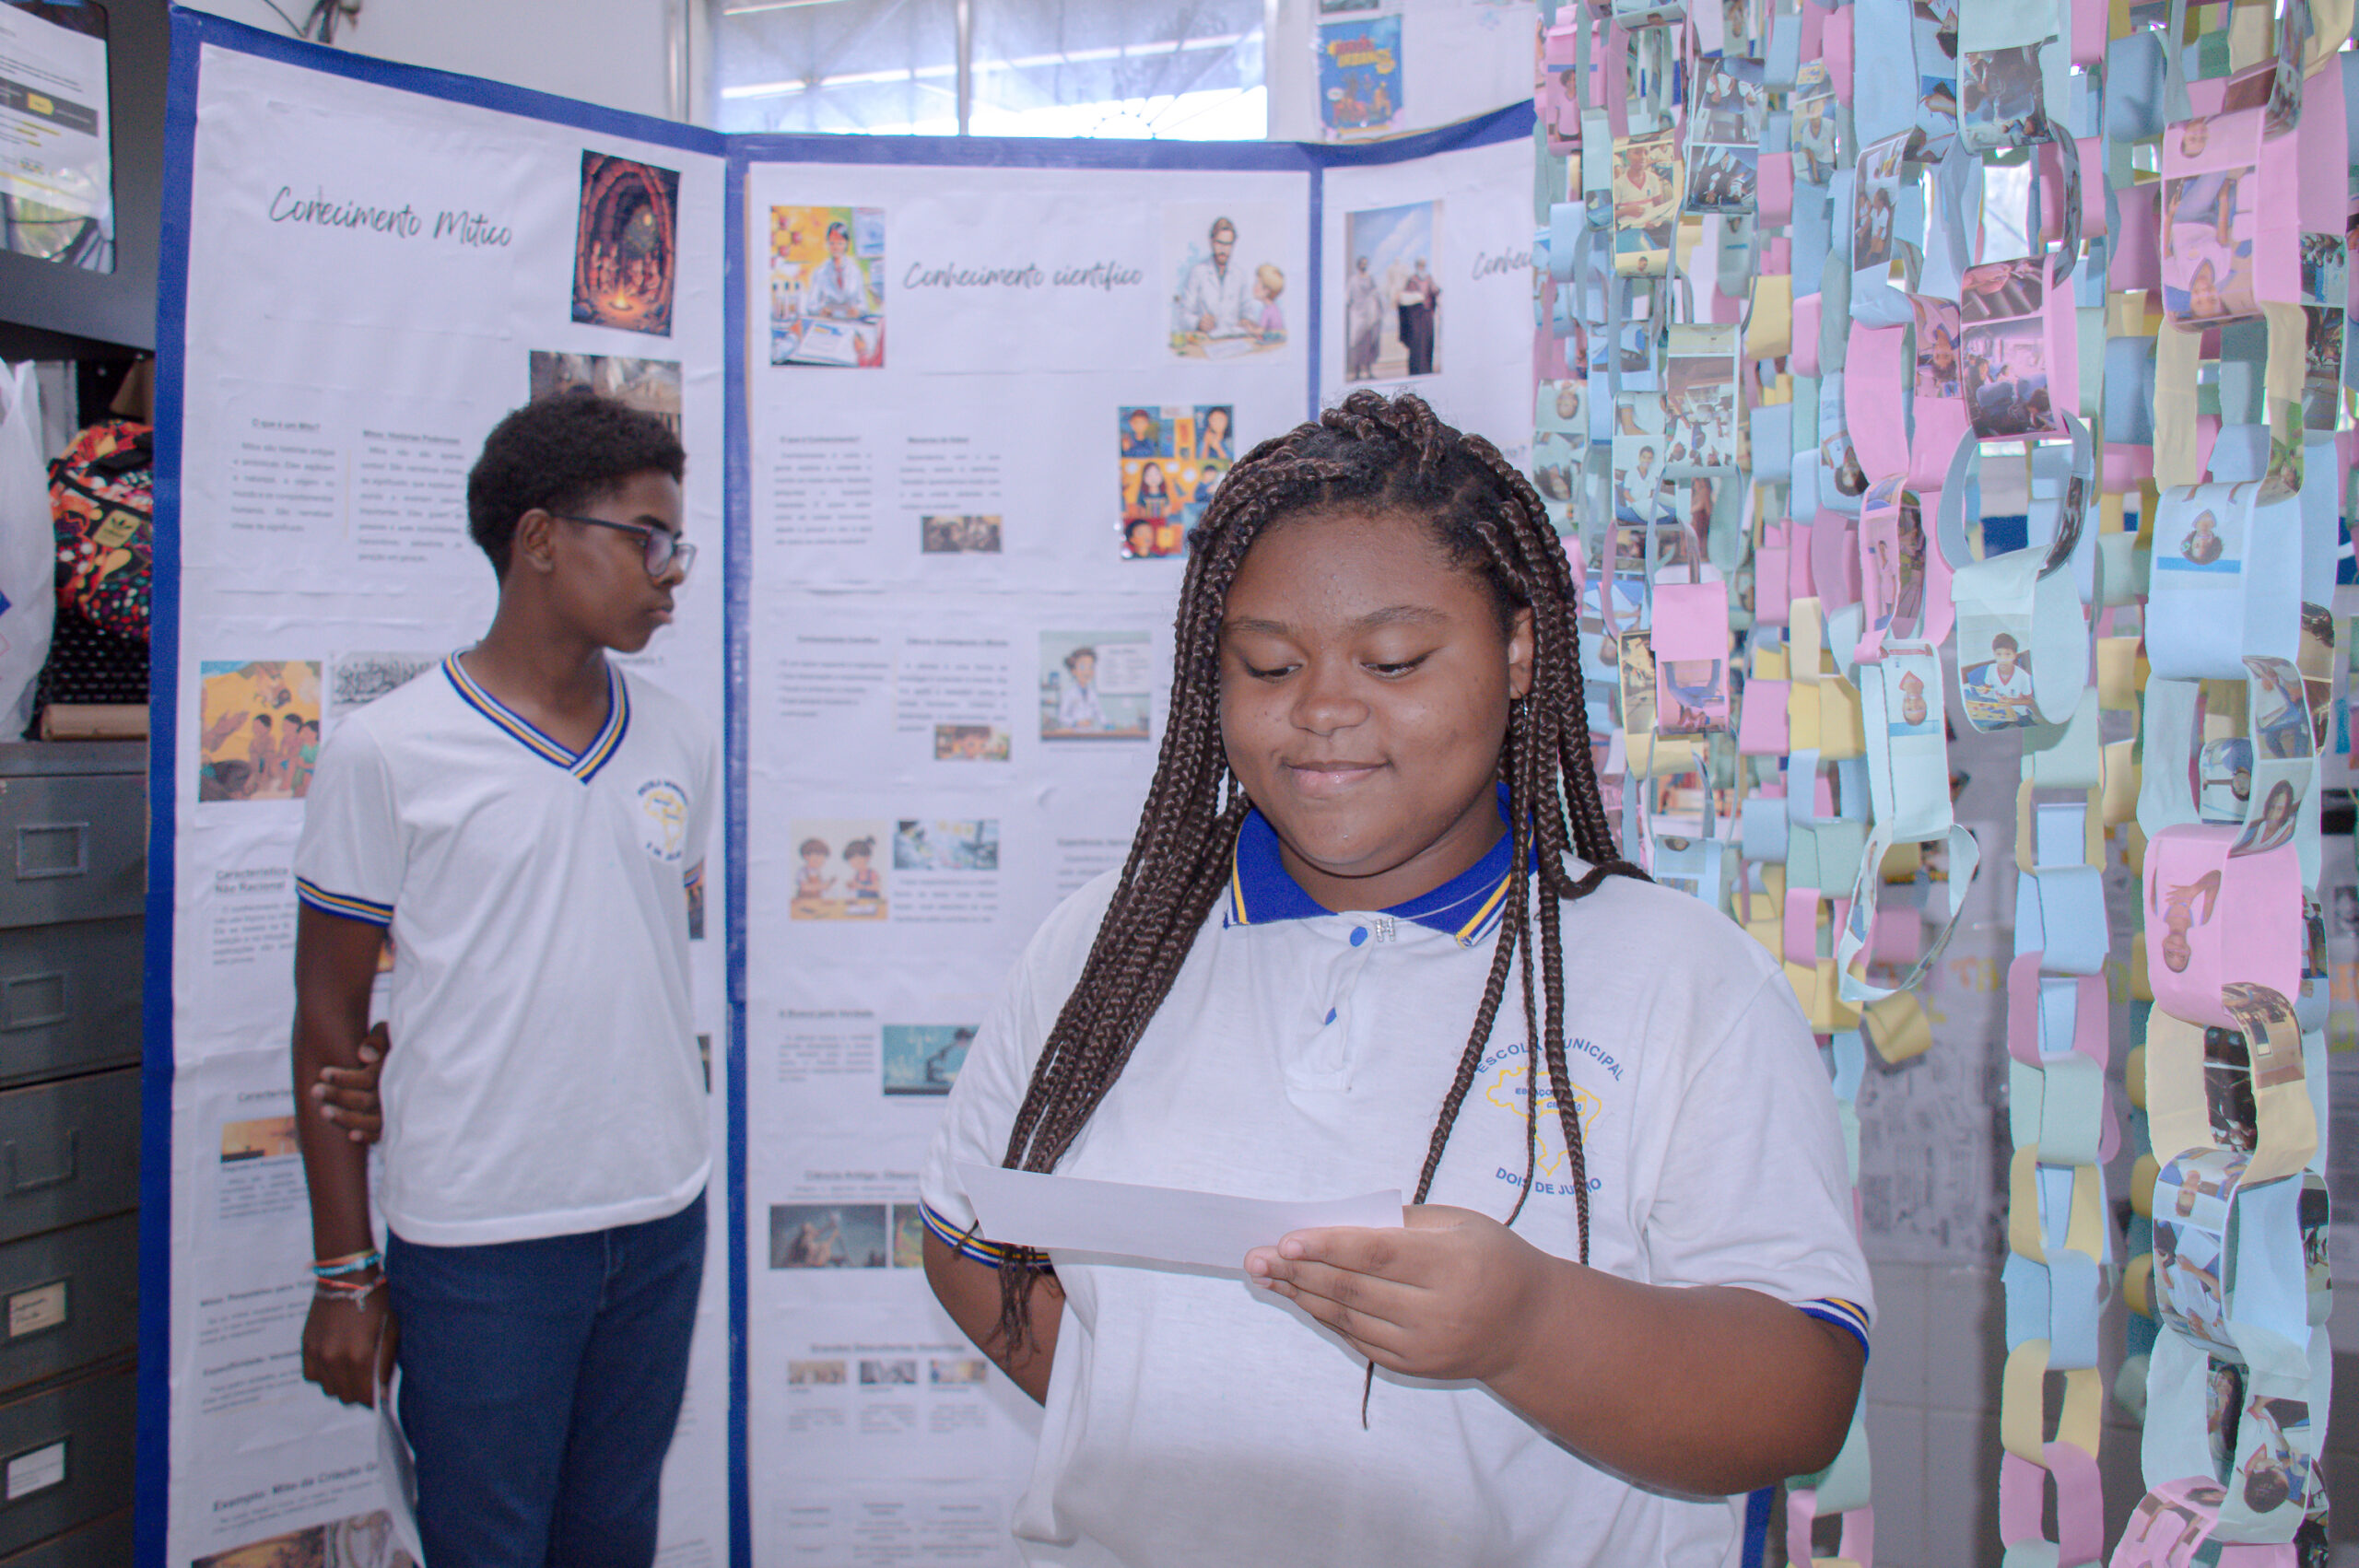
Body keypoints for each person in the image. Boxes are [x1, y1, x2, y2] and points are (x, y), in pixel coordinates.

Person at [915, 392, 1869, 1565]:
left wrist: (1526, 1325)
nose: (1320, 710)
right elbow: (970, 1239)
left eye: (1394, 659)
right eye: (1266, 664)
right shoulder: (1105, 947)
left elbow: (1799, 1394)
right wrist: (1179, 1431)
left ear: (1518, 651)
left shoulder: (1680, 978)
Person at [290, 394, 713, 1566]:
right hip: (483, 1238)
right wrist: (341, 1270)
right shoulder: (388, 749)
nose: (670, 572)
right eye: (646, 536)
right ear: (538, 539)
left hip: (659, 1214)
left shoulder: (679, 737)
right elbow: (328, 1013)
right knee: (486, 1543)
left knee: (613, 1535)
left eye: (677, 542)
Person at [1177, 216, 1252, 340]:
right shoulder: (1198, 272)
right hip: (1206, 340)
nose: (1223, 249)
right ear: (1211, 242)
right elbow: (1183, 314)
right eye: (1219, 243)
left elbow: (1248, 310)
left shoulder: (1239, 275)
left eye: (1228, 244)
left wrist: (1246, 321)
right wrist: (1198, 323)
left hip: (1234, 340)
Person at [804, 219, 872, 319]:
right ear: (828, 244)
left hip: (851, 323)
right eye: (832, 243)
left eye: (839, 243)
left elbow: (864, 306)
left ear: (846, 244)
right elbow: (811, 306)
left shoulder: (855, 272)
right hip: (828, 324)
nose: (835, 247)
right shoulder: (820, 272)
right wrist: (821, 310)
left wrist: (857, 311)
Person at [1398, 259, 1440, 376]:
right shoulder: (1412, 280)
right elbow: (1406, 298)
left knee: (1427, 342)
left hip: (1427, 316)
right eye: (1420, 265)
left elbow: (1434, 290)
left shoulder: (1429, 278)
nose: (1422, 267)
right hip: (1416, 317)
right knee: (1417, 344)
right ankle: (1416, 370)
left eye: (1424, 265)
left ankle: (1426, 369)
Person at [1346, 255, 1383, 380]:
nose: (1364, 266)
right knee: (1356, 343)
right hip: (1357, 315)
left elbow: (1376, 294)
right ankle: (1356, 372)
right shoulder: (1353, 280)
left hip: (1369, 316)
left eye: (1366, 264)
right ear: (1358, 265)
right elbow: (1348, 298)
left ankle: (1368, 371)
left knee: (1368, 343)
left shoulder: (1370, 279)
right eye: (1362, 263)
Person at [1055, 646, 1105, 731]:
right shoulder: (1068, 694)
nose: (1087, 671)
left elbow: (1099, 713)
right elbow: (1062, 717)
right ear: (1073, 671)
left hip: (1091, 732)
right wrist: (1077, 722)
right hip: (1074, 733)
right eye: (1082, 667)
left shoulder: (1092, 693)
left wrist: (1107, 723)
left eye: (1091, 667)